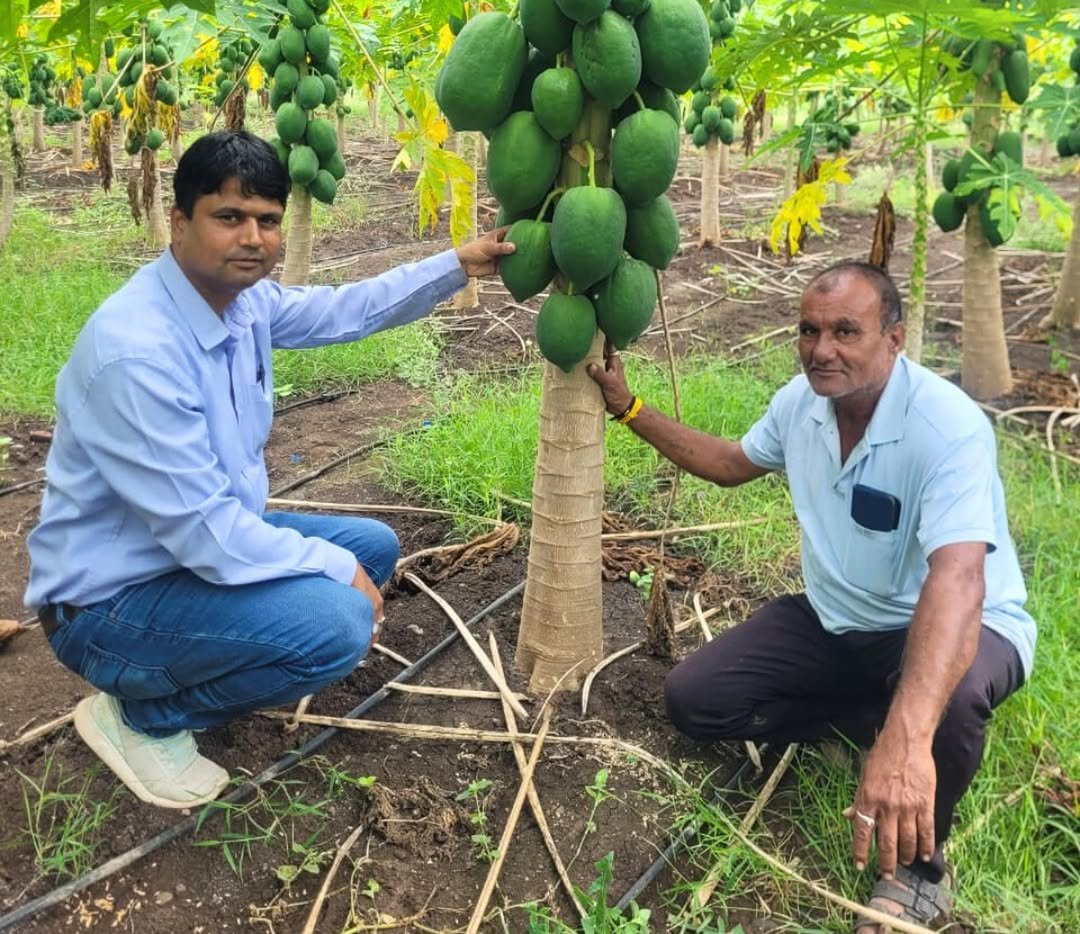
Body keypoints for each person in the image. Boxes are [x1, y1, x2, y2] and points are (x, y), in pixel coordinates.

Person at [25, 131, 513, 810]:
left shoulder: (242, 301)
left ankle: (200, 664)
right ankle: (140, 717)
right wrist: (329, 569)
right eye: (229, 218)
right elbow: (208, 537)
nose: (252, 237)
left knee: (373, 547)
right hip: (109, 604)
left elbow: (348, 309)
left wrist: (457, 263)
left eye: (267, 220)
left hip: (177, 553)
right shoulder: (137, 351)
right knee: (337, 623)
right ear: (179, 220)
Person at [588, 261, 1034, 934]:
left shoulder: (948, 429)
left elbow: (959, 578)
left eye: (846, 331)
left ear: (894, 338)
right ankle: (872, 725)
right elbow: (730, 463)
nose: (822, 350)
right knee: (696, 700)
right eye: (810, 330)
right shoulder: (802, 405)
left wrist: (909, 742)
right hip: (837, 620)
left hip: (947, 621)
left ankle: (918, 870)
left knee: (953, 697)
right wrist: (630, 409)